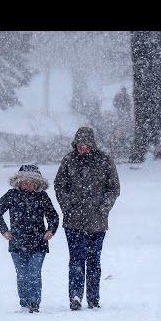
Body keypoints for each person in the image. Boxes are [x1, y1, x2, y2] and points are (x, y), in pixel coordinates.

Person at [54, 127, 120, 310]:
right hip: (73, 221)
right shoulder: (68, 160)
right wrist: (67, 206)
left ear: (91, 143)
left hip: (97, 222)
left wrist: (103, 208)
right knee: (75, 260)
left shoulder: (105, 160)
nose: (81, 147)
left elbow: (113, 188)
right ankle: (75, 297)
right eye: (79, 144)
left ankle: (93, 298)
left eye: (84, 144)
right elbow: (59, 186)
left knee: (93, 261)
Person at [0, 165, 59, 313]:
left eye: (30, 181)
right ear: (18, 182)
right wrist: (4, 231)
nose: (26, 184)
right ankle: (24, 303)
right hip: (17, 242)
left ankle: (34, 303)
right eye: (24, 181)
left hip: (39, 242)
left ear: (37, 183)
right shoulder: (11, 195)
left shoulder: (42, 197)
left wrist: (50, 230)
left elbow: (53, 216)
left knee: (34, 273)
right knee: (22, 275)